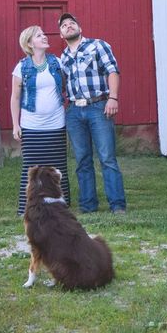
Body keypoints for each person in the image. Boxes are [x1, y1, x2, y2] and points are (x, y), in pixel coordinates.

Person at [59, 12, 127, 214]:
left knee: (107, 157)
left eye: (72, 23)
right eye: (64, 25)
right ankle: (88, 206)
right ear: (61, 34)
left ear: (80, 28)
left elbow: (112, 70)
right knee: (82, 160)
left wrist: (113, 98)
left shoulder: (98, 45)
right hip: (73, 111)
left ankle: (117, 205)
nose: (68, 26)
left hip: (98, 107)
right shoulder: (63, 57)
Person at [10, 25, 70, 216]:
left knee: (58, 168)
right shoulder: (21, 67)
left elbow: (67, 87)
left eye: (43, 34)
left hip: (56, 124)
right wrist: (15, 124)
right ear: (29, 43)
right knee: (32, 169)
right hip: (31, 126)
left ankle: (60, 206)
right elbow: (15, 98)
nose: (44, 37)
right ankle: (27, 207)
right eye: (39, 35)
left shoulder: (57, 63)